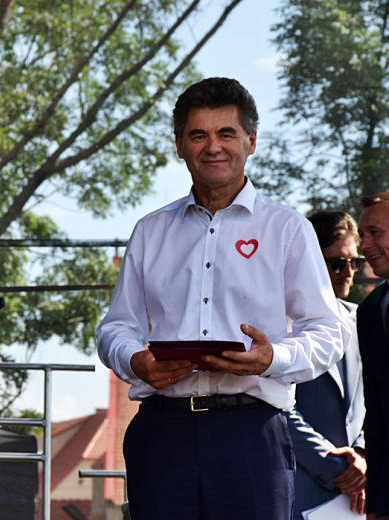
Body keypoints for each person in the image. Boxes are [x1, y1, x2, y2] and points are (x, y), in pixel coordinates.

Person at [96, 77, 349, 520]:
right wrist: (136, 361)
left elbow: (329, 332)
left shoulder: (287, 229)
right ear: (180, 145)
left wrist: (272, 358)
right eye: (199, 135)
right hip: (162, 430)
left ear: (250, 141)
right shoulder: (150, 231)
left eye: (226, 134)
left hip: (252, 431)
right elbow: (116, 327)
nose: (213, 147)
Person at [286, 211, 366, 518]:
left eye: (354, 261)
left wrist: (361, 456)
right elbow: (278, 405)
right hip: (297, 486)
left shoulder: (361, 319)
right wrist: (334, 466)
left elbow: (373, 398)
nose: (348, 271)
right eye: (336, 262)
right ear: (311, 261)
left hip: (356, 493)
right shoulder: (283, 322)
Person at [356, 193, 389, 520]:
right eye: (361, 236)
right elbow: (377, 412)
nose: (363, 246)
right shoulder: (369, 310)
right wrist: (378, 503)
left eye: (374, 233)